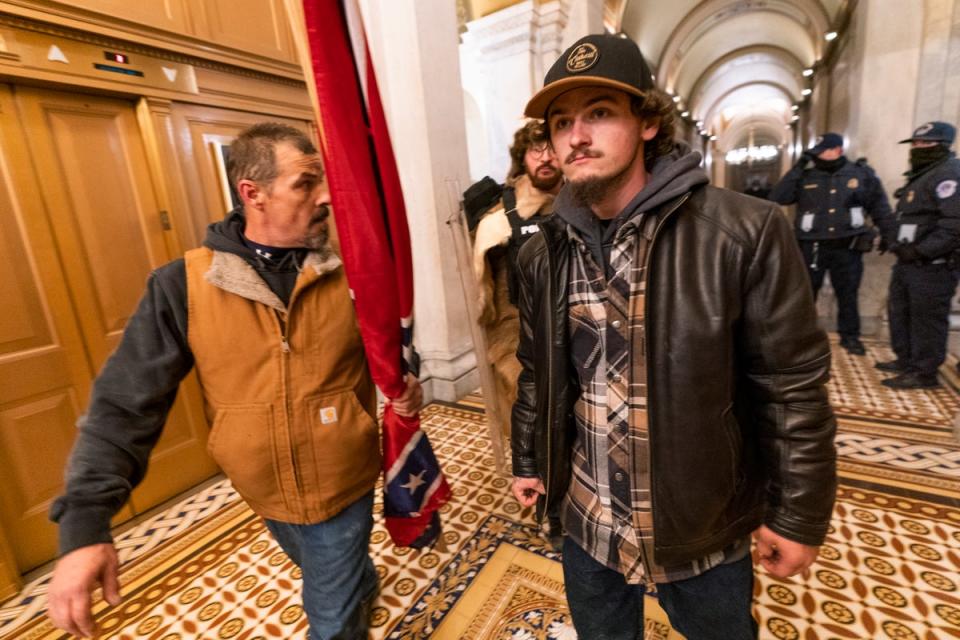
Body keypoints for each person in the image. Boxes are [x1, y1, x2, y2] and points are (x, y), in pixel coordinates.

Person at [510, 34, 837, 640]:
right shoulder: (541, 252)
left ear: (648, 123)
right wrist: (528, 458)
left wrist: (797, 515)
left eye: (600, 113)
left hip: (699, 524)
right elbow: (537, 370)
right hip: (589, 520)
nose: (576, 135)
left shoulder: (741, 232)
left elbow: (791, 388)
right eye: (561, 122)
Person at [46, 122, 422, 639]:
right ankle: (358, 577)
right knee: (326, 566)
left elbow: (394, 352)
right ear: (253, 194)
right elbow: (122, 406)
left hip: (343, 477)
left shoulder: (354, 272)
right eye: (306, 182)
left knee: (332, 617)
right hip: (262, 487)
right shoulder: (183, 285)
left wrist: (409, 375)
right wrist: (84, 523)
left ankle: (347, 594)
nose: (326, 196)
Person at [471, 119, 562, 546]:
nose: (545, 156)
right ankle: (543, 507)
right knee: (529, 430)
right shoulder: (500, 216)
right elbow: (487, 291)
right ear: (522, 157)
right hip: (518, 342)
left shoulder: (585, 203)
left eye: (552, 147)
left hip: (575, 334)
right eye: (535, 148)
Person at [770, 132, 894, 356]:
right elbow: (779, 196)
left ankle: (850, 337)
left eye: (821, 152)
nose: (817, 157)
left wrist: (889, 234)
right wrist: (797, 168)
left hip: (847, 245)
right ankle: (800, 337)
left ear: (837, 150)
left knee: (848, 293)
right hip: (812, 246)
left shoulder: (860, 174)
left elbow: (879, 207)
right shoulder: (806, 176)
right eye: (814, 153)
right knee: (805, 293)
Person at [877, 121, 960, 389]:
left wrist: (921, 250)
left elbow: (953, 226)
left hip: (932, 265)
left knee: (927, 319)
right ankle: (907, 359)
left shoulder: (949, 174)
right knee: (901, 312)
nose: (917, 148)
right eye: (915, 144)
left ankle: (924, 372)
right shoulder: (923, 173)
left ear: (943, 146)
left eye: (925, 144)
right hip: (908, 261)